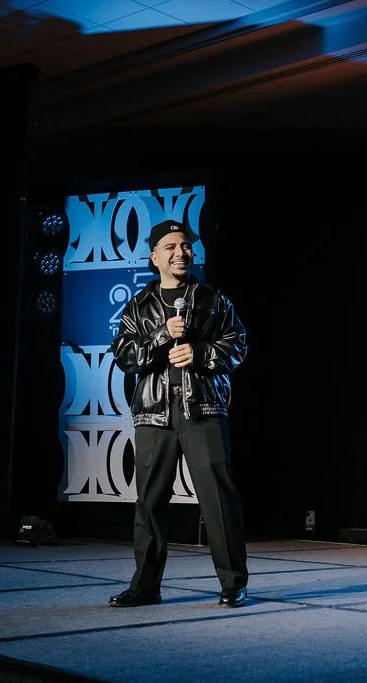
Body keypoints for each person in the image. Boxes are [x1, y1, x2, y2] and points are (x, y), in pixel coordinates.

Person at [108, 219, 250, 608]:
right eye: (170, 247)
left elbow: (237, 345)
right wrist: (161, 336)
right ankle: (145, 586)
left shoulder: (213, 299)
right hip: (155, 414)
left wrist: (201, 354)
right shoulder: (138, 306)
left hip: (202, 408)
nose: (180, 252)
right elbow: (124, 355)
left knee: (218, 498)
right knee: (150, 502)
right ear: (154, 256)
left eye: (185, 245)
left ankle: (233, 582)